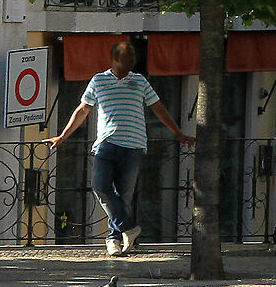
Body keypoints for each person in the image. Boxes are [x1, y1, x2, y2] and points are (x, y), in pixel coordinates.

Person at [44, 39, 195, 256]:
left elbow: (158, 108)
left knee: (124, 196)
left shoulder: (140, 81)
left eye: (133, 57)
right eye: (127, 57)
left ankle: (114, 240)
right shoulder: (99, 81)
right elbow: (83, 110)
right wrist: (63, 136)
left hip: (134, 146)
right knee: (100, 186)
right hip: (106, 144)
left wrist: (178, 133)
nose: (132, 61)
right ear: (115, 59)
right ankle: (129, 229)